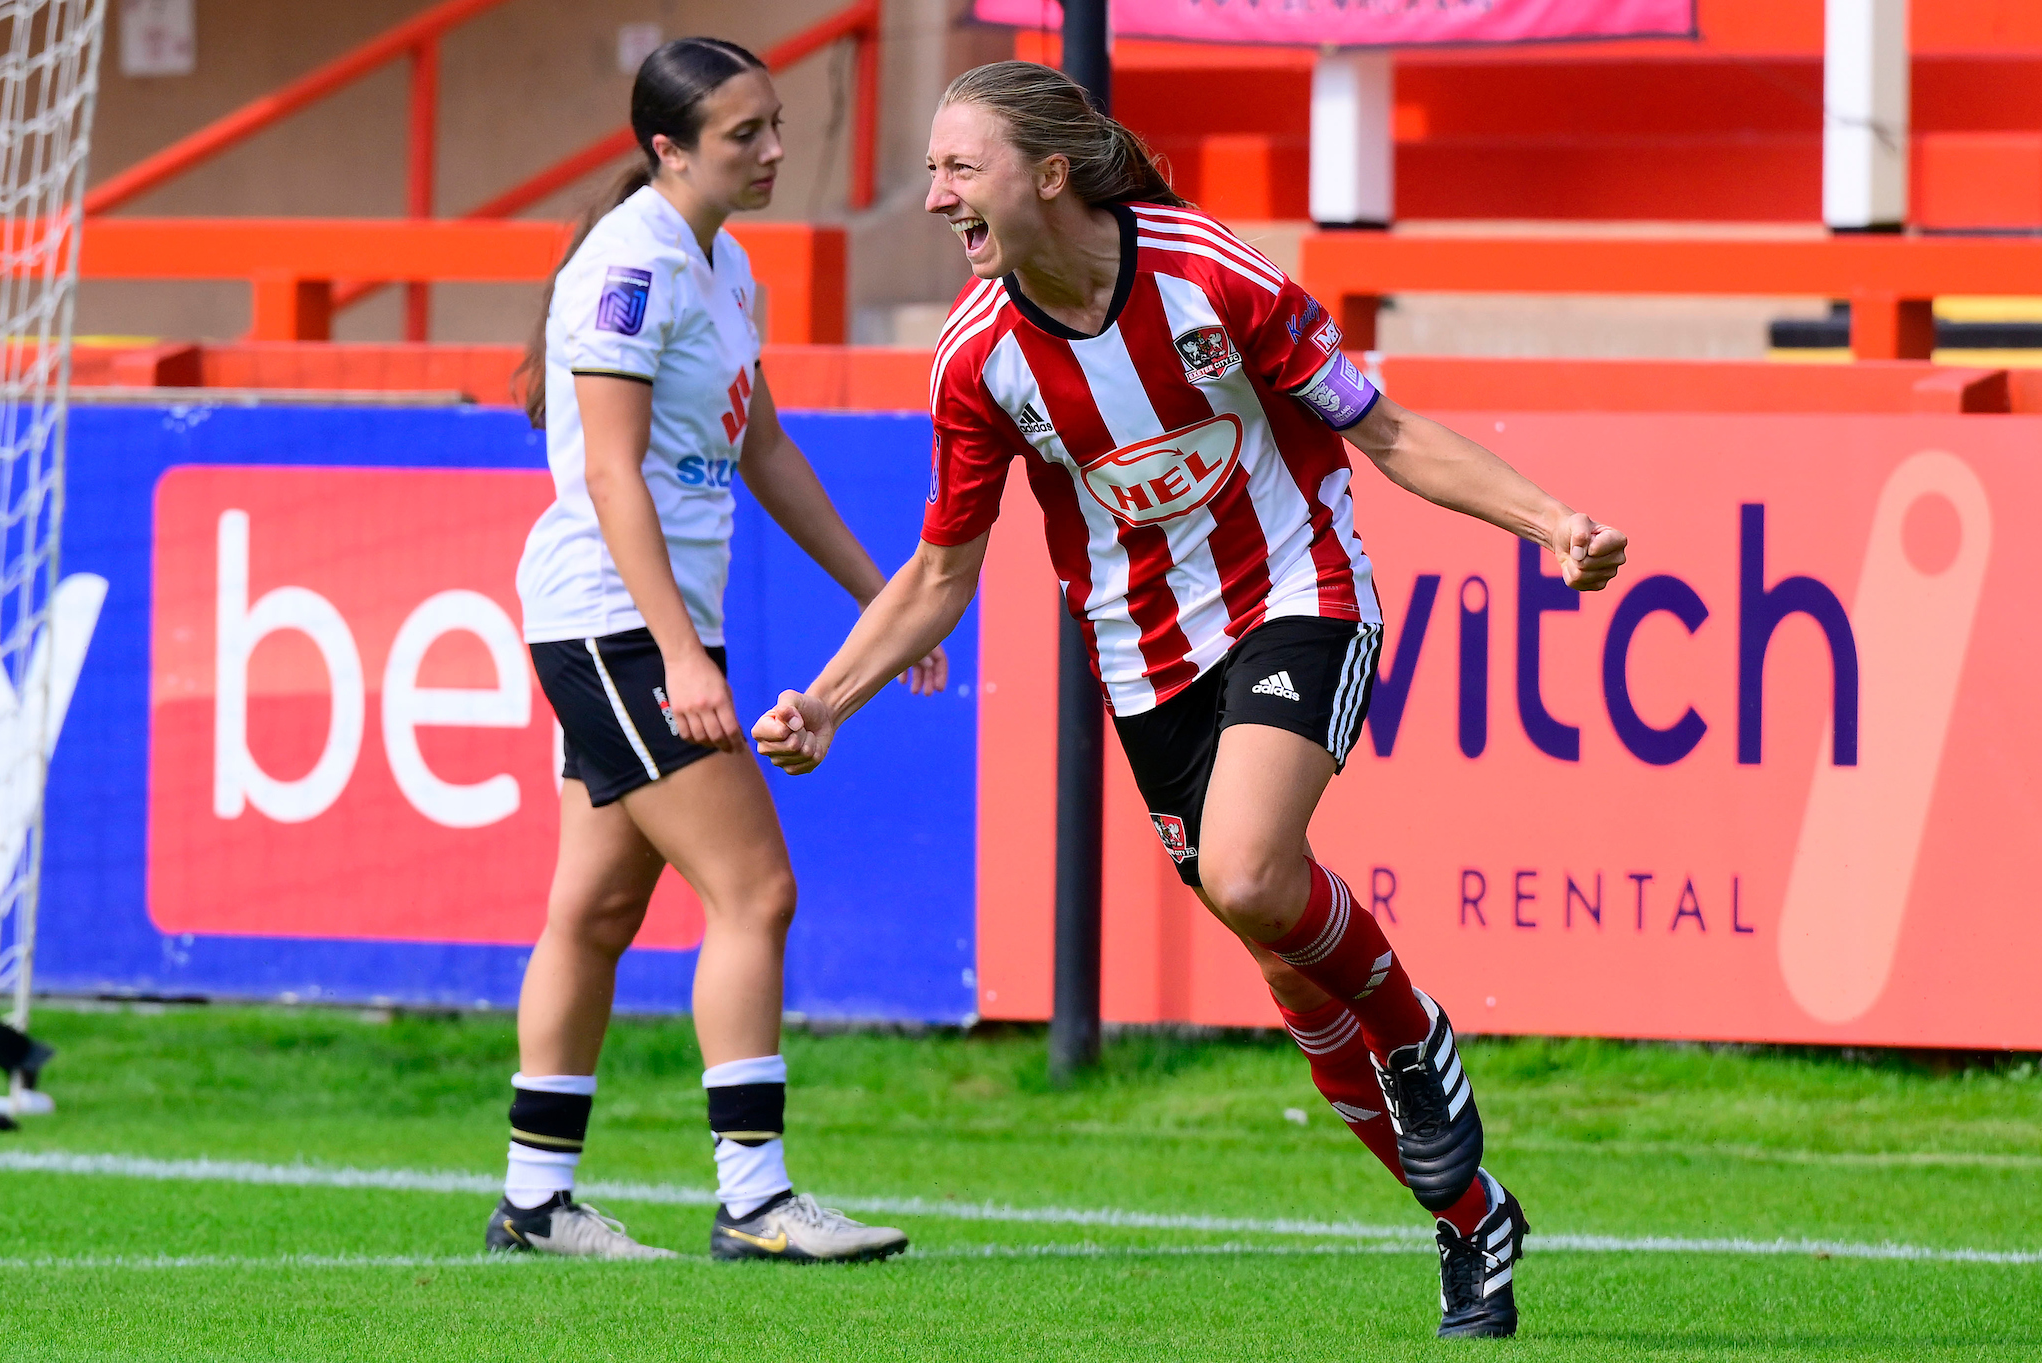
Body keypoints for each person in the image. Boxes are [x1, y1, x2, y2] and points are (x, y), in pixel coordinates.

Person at [753, 61, 1627, 1335]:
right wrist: (832, 700)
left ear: (1049, 175)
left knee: (1256, 875)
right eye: (934, 169)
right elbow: (944, 569)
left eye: (959, 168)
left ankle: (1419, 1039)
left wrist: (1552, 523)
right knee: (1284, 961)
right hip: (1143, 665)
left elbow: (1382, 433)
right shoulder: (976, 360)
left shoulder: (1213, 275)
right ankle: (1471, 1220)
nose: (937, 196)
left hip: (1299, 590)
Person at [492, 37, 937, 1264]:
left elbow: (769, 450)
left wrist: (884, 600)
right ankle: (756, 1198)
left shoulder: (724, 266)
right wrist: (684, 659)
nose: (776, 151)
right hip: (617, 623)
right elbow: (609, 472)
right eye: (746, 134)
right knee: (757, 890)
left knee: (595, 908)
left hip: (644, 624)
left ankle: (534, 1206)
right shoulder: (629, 264)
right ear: (668, 150)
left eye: (777, 125)